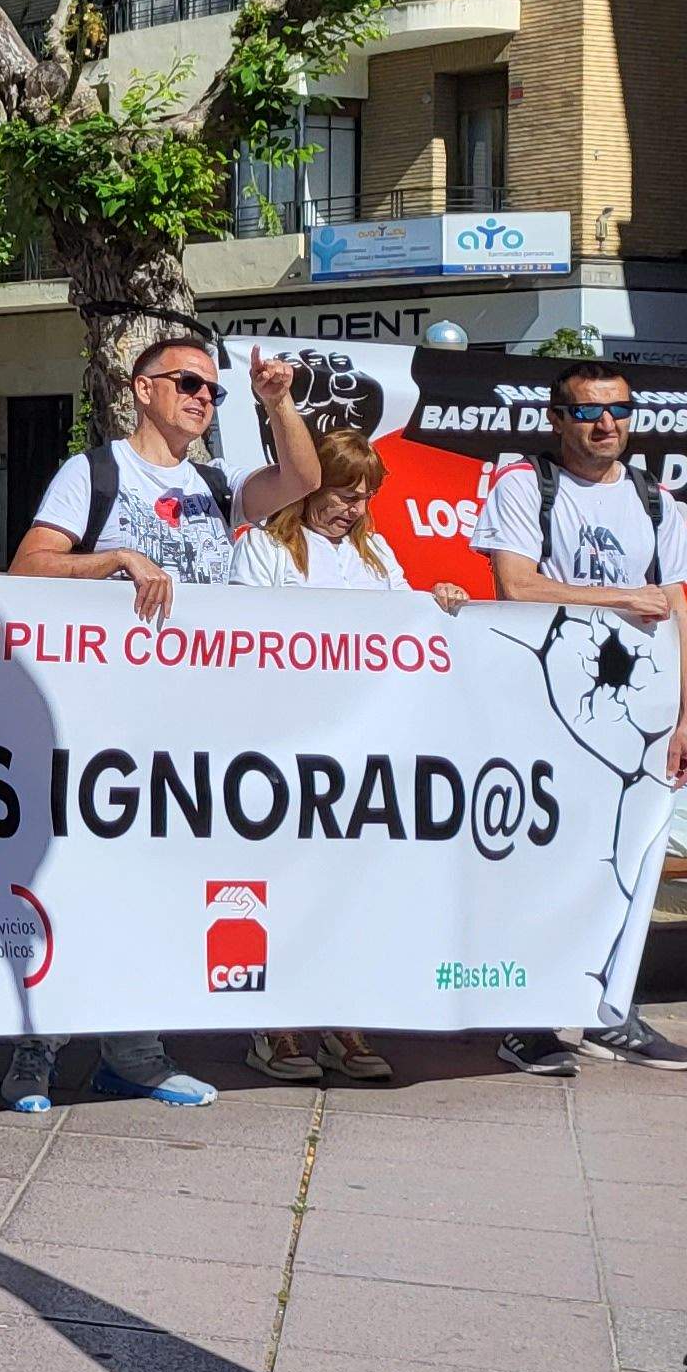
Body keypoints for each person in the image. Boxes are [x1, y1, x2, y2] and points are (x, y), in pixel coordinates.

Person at [4, 334, 321, 1111]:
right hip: (101, 729)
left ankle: (135, 1051)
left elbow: (304, 479)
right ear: (142, 389)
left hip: (191, 730)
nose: (203, 398)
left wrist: (277, 402)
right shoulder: (95, 473)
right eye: (187, 383)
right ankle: (37, 1049)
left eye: (212, 390)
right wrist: (115, 561)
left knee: (161, 889)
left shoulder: (216, 482)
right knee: (78, 882)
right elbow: (28, 567)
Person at [475, 359, 687, 1077]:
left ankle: (612, 1009)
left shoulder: (653, 497)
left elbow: (681, 612)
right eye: (587, 411)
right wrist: (619, 598)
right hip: (546, 703)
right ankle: (526, 1018)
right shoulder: (525, 485)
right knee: (542, 857)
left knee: (626, 860)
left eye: (618, 410)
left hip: (636, 711)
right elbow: (515, 586)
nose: (606, 424)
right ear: (558, 419)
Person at [227, 428, 467, 1085]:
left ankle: (343, 1017)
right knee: (284, 885)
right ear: (311, 488)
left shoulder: (377, 554)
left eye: (365, 497)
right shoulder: (264, 548)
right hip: (285, 749)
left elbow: (409, 630)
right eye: (342, 493)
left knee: (351, 887)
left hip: (361, 755)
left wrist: (439, 603)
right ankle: (274, 1024)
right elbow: (241, 638)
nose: (354, 508)